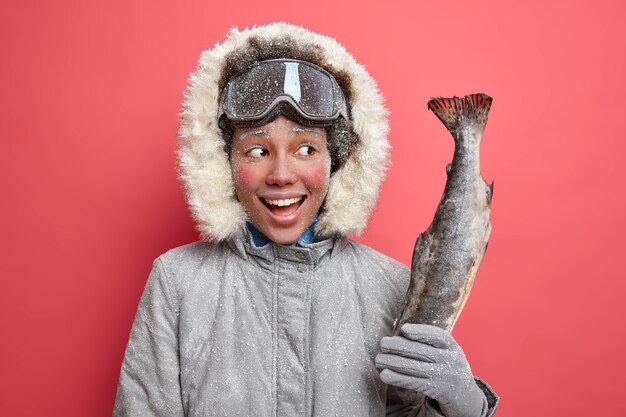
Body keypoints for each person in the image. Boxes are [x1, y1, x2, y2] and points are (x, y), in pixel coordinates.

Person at [113, 23, 499, 417]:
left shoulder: (394, 286)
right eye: (257, 150)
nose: (282, 174)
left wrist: (464, 408)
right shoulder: (177, 282)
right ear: (223, 163)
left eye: (306, 148)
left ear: (338, 160)